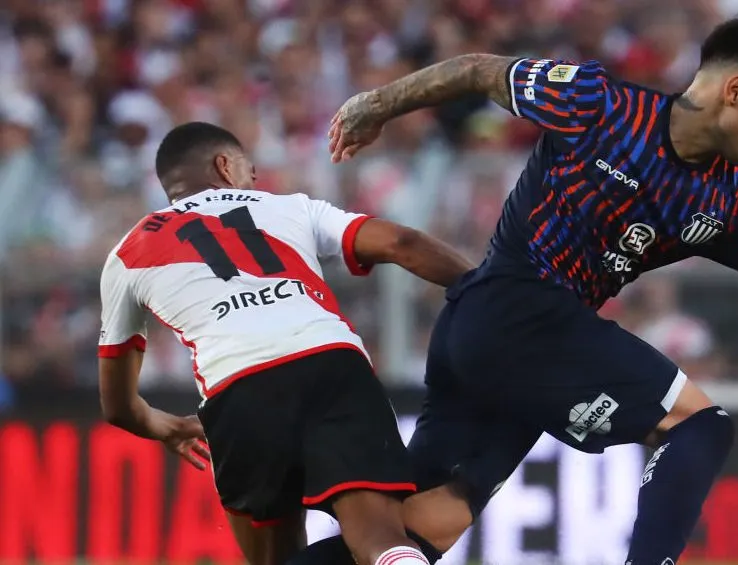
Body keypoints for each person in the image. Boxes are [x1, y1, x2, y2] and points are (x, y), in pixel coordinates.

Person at [296, 14, 738, 565]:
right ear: (736, 90)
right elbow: (476, 70)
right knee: (701, 425)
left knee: (424, 525)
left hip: (499, 336)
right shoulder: (598, 102)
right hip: (516, 305)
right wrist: (377, 104)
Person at [96, 122, 475, 565]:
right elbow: (400, 242)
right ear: (224, 166)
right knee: (379, 538)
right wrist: (487, 290)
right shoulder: (288, 207)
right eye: (248, 170)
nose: (254, 181)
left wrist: (162, 425)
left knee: (276, 558)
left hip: (237, 391)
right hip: (332, 365)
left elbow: (118, 406)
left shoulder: (127, 252)